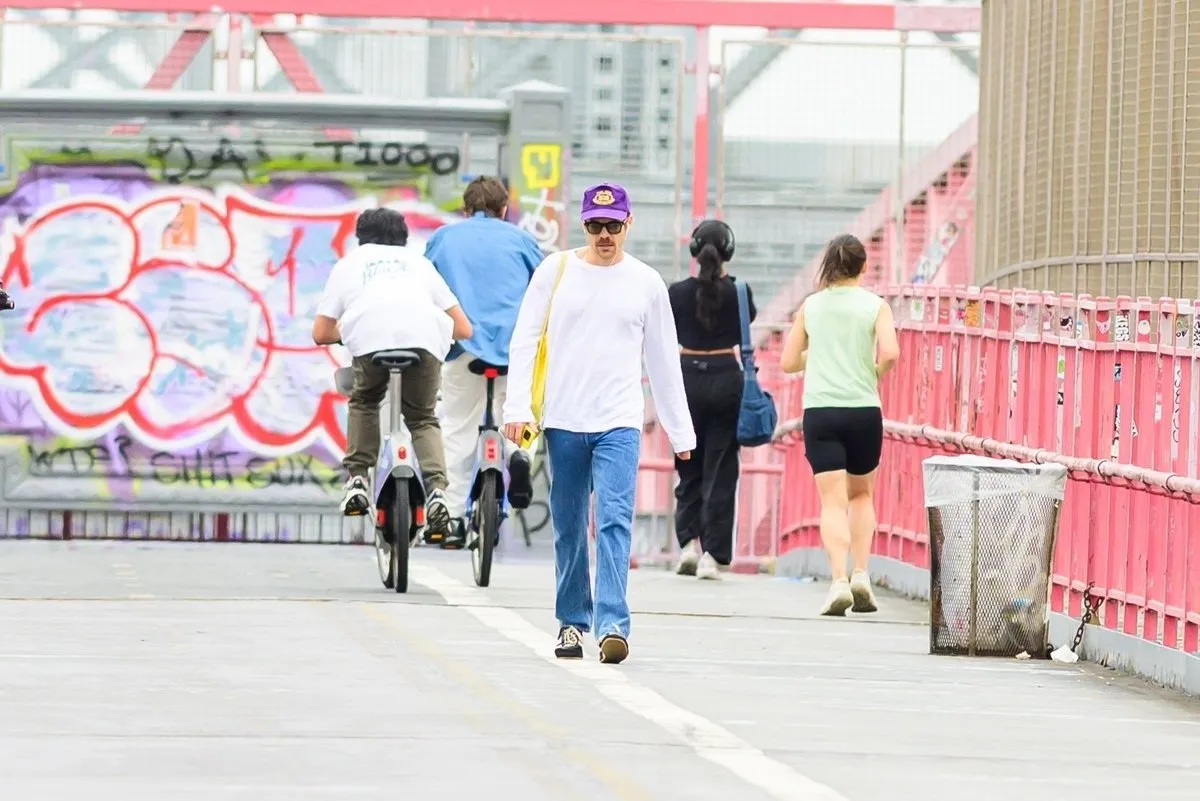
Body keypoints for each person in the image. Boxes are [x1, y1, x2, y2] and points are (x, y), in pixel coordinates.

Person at [502, 183, 695, 665]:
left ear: (628, 224)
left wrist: (680, 431)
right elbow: (525, 340)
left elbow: (664, 360)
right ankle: (572, 623)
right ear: (583, 225)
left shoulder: (646, 282)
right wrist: (516, 408)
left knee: (613, 521)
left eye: (612, 225)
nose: (604, 234)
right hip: (564, 418)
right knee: (569, 526)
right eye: (595, 225)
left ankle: (612, 624)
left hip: (619, 422)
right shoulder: (555, 271)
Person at [312, 207, 472, 542]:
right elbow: (463, 328)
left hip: (370, 341)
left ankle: (357, 479)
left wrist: (352, 333)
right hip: (425, 341)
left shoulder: (349, 264)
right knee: (422, 417)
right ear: (403, 237)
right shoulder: (420, 265)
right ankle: (438, 492)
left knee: (365, 400)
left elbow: (320, 333)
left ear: (360, 238)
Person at [778, 233, 900, 616]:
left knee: (832, 501)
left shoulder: (811, 307)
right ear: (864, 266)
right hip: (864, 409)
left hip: (822, 411)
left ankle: (838, 581)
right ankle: (862, 572)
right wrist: (875, 370)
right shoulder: (875, 306)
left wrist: (814, 360)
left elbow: (787, 361)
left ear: (830, 265)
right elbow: (892, 353)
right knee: (862, 495)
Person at [424, 175, 543, 549]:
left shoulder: (443, 238)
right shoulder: (522, 240)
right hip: (515, 348)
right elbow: (543, 287)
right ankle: (519, 455)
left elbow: (426, 286)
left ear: (465, 209)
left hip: (464, 347)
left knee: (458, 428)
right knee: (519, 414)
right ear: (504, 210)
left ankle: (455, 519)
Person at [666, 219, 754, 581]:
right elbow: (745, 327)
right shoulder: (740, 292)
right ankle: (711, 556)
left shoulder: (676, 292)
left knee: (687, 463)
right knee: (721, 469)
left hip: (685, 378)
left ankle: (687, 544)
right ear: (728, 251)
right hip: (725, 376)